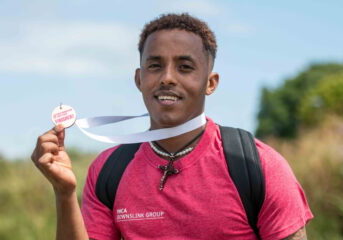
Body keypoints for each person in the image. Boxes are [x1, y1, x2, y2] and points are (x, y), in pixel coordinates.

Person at [31, 13, 313, 240]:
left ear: (210, 83)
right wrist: (64, 192)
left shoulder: (259, 167)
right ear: (139, 79)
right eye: (155, 66)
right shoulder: (107, 171)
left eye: (185, 67)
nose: (167, 78)